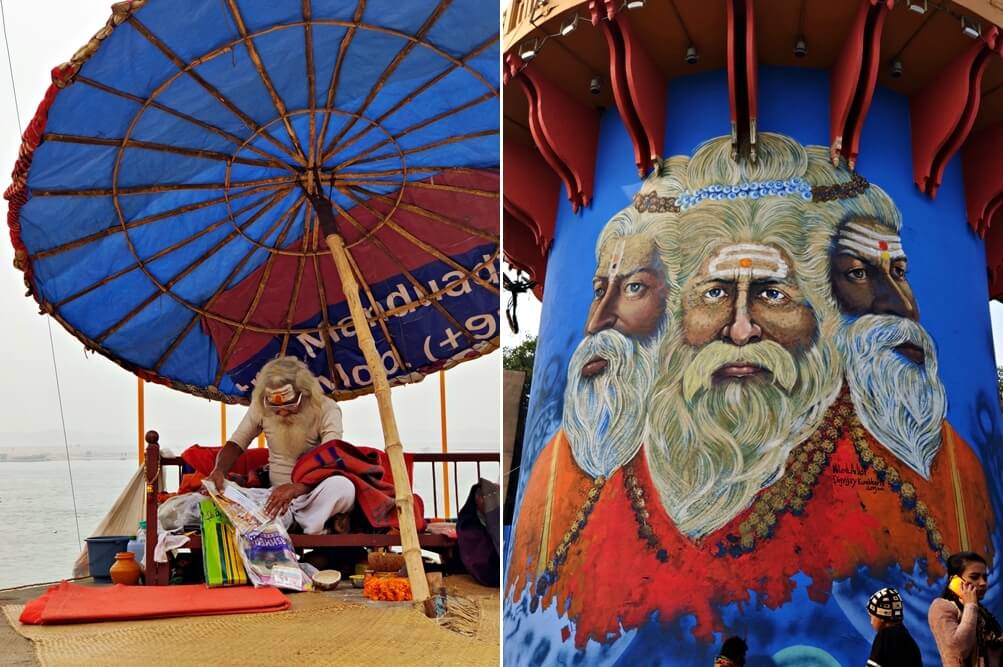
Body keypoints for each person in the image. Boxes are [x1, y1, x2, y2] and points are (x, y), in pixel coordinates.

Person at [207, 356, 355, 534]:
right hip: (274, 498)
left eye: (290, 405)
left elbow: (331, 458)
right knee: (216, 495)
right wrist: (219, 470)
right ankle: (308, 524)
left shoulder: (326, 408)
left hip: (311, 496)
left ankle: (306, 523)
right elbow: (236, 443)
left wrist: (296, 489)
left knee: (343, 487)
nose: (283, 412)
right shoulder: (260, 406)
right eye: (275, 407)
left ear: (304, 393)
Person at [928, 551, 1003, 666]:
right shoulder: (941, 607)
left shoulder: (981, 612)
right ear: (955, 580)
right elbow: (958, 650)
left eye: (985, 577)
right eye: (974, 577)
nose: (983, 583)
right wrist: (970, 606)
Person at [866, 587, 922, 666]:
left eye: (871, 616)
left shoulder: (884, 636)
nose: (871, 622)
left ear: (881, 616)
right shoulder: (910, 641)